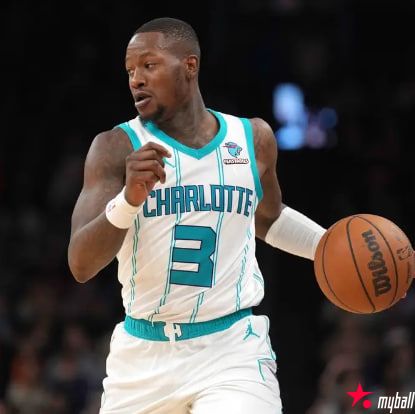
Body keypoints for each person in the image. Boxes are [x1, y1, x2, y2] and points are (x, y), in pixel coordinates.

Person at [68, 17, 326, 414]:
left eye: (149, 65)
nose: (136, 79)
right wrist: (128, 201)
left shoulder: (252, 139)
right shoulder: (115, 148)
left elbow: (268, 219)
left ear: (190, 66)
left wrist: (328, 246)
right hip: (143, 357)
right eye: (130, 70)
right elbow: (81, 264)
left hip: (231, 349)